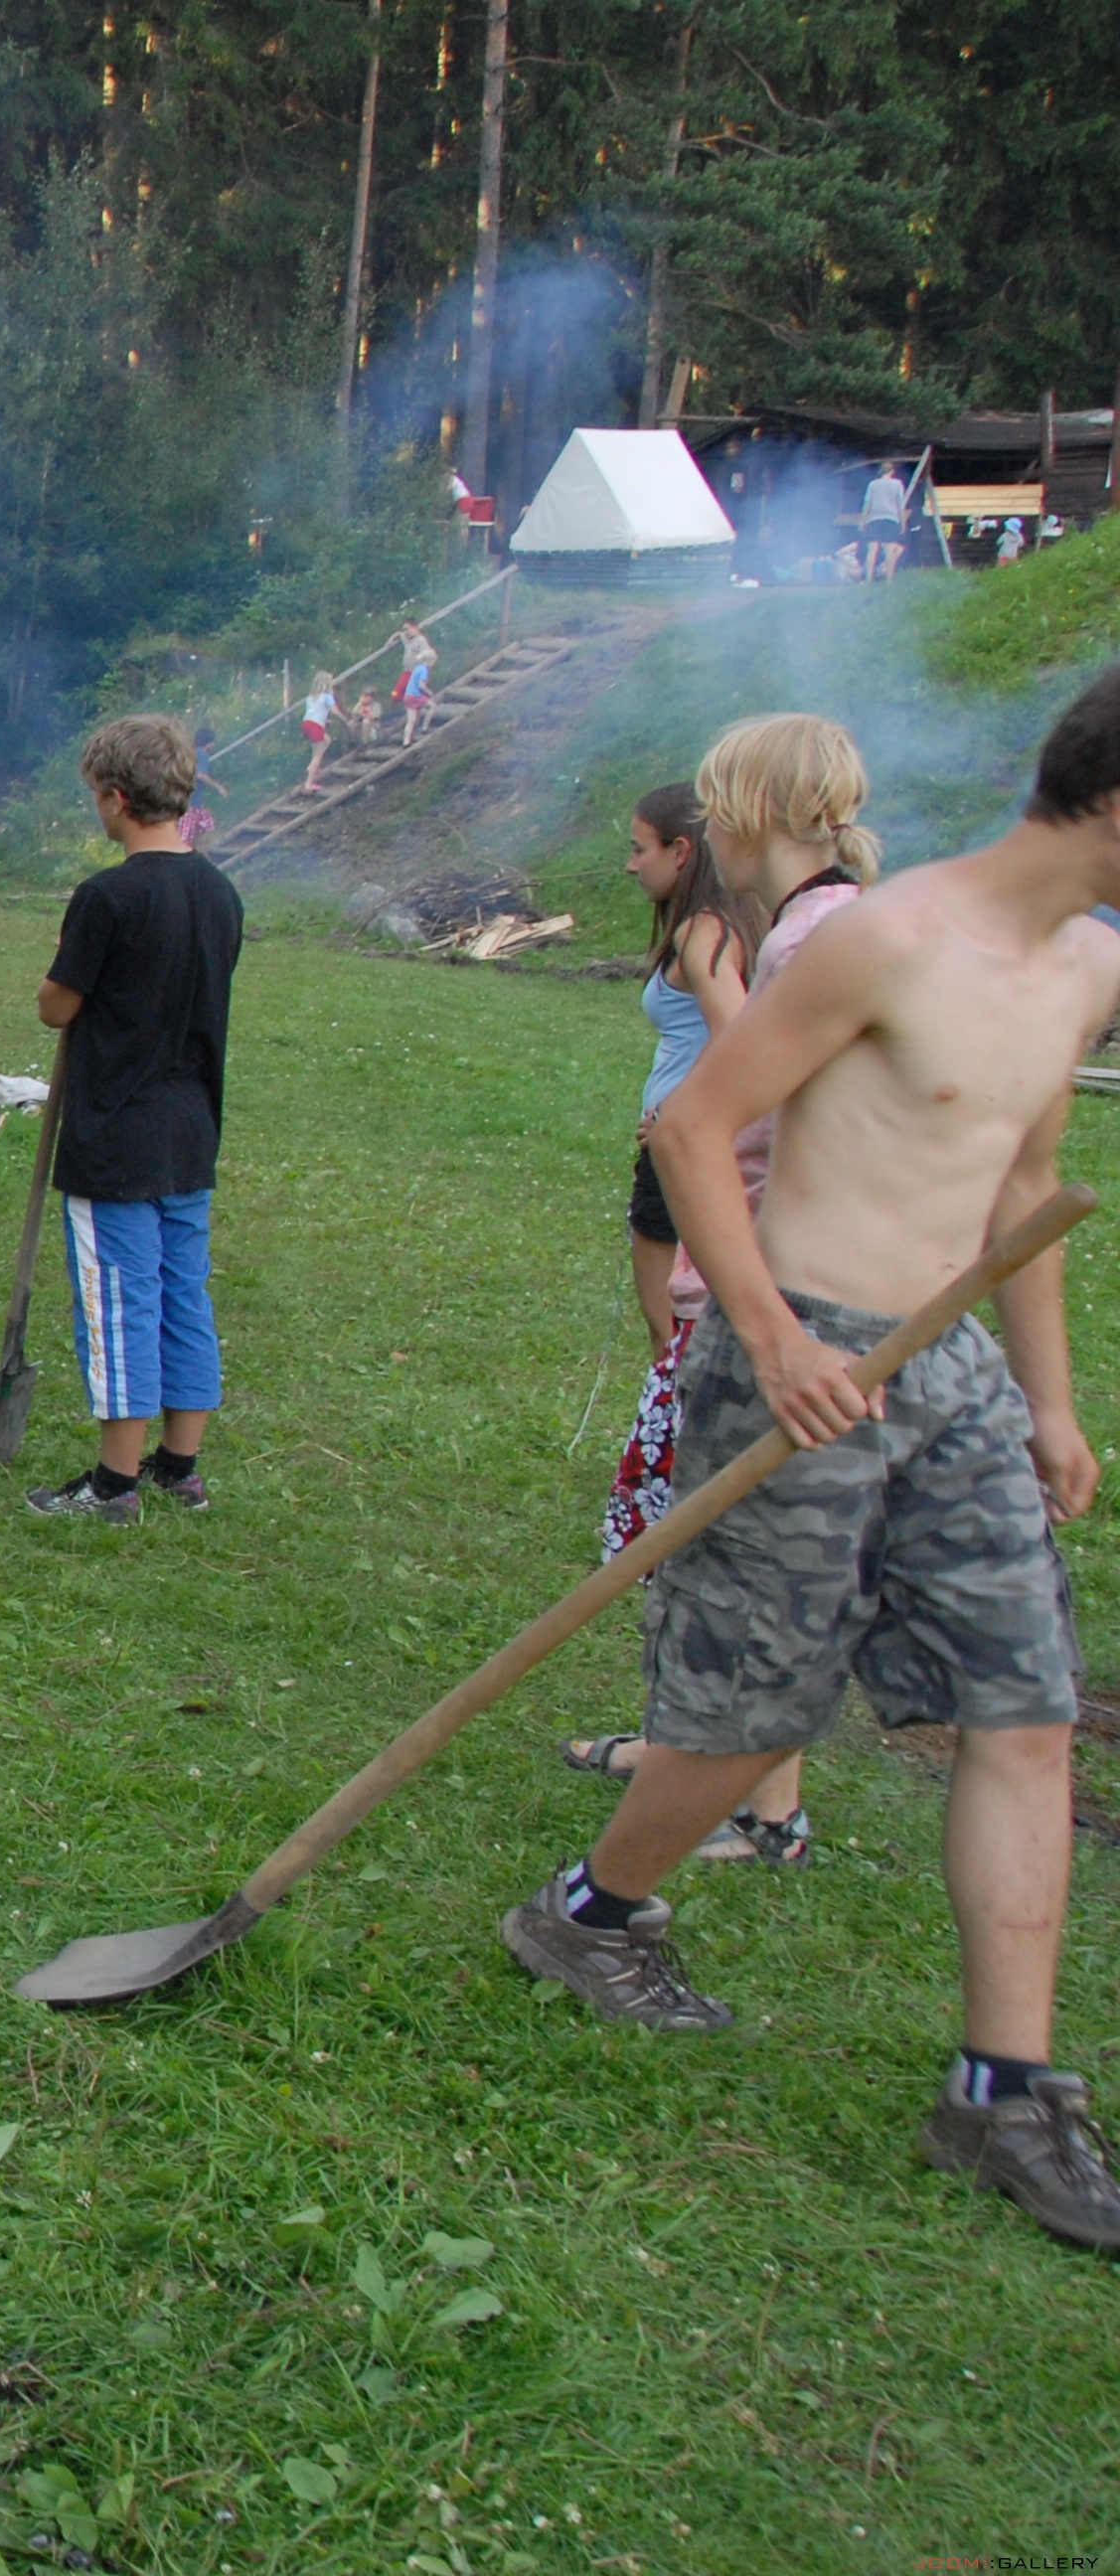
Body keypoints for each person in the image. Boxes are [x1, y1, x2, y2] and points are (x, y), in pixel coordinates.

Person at [502, 668, 1120, 2254]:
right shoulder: (887, 939)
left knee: (1026, 1705)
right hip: (806, 1353)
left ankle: (1006, 2093)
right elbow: (694, 1128)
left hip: (952, 1372)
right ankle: (592, 1913)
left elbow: (1025, 1185)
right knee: (756, 1710)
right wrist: (774, 1337)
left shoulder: (1088, 966)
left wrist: (1049, 1405)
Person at [573, 720, 886, 1858]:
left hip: (770, 1296)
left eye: (712, 809)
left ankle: (762, 1811)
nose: (703, 831)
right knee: (701, 1539)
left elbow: (790, 1129)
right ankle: (681, 1753)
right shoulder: (820, 926)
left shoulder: (816, 940)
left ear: (750, 813)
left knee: (741, 1557)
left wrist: (751, 1305)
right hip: (755, 1291)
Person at [26, 717, 242, 1523]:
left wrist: (65, 965)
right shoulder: (220, 893)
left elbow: (57, 1005)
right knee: (184, 1293)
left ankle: (114, 1484)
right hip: (190, 1127)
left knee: (120, 1302)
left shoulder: (108, 896)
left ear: (116, 799)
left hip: (115, 1134)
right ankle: (179, 1466)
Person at [619, 783, 757, 1349]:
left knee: (670, 1332)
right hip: (699, 1145)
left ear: (680, 851)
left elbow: (742, 1041)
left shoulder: (703, 933)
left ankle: (674, 1411)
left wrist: (676, 1114)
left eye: (639, 849)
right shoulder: (733, 921)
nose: (631, 866)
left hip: (683, 1152)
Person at [392, 620, 438, 746]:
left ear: (415, 627)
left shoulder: (421, 641)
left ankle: (406, 741)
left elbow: (425, 653)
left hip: (409, 692)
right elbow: (421, 685)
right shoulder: (422, 670)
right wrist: (429, 692)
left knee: (410, 719)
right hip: (414, 691)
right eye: (404, 629)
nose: (405, 632)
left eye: (407, 629)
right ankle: (424, 728)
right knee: (432, 706)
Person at [862, 463, 911, 581]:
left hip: (874, 519)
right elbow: (900, 505)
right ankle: (889, 580)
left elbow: (867, 503)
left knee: (872, 551)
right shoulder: (897, 484)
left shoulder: (873, 484)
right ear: (892, 471)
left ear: (880, 471)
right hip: (891, 519)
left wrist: (863, 522)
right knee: (889, 552)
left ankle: (869, 578)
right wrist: (902, 523)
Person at [298, 678, 339, 791]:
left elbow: (315, 711)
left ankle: (313, 766)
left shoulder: (311, 697)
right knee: (317, 756)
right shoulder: (327, 696)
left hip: (306, 723)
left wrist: (326, 720)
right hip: (316, 726)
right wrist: (344, 718)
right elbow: (334, 711)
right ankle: (309, 783)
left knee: (326, 740)